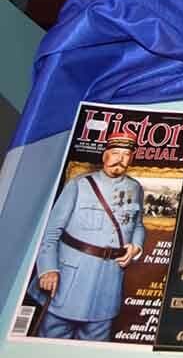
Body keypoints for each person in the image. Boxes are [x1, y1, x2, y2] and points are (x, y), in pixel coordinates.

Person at [28, 132, 145, 340]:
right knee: (53, 341)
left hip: (108, 282)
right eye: (115, 153)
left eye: (126, 154)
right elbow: (51, 231)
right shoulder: (80, 184)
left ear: (131, 158)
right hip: (70, 280)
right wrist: (48, 269)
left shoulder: (135, 188)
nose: (120, 159)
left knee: (95, 346)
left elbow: (138, 225)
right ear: (105, 155)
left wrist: (136, 246)